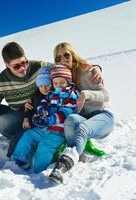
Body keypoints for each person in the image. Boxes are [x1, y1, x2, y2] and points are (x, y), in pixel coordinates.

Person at [49, 42, 115, 183]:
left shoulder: (87, 71)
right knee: (71, 119)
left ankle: (62, 166)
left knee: (83, 128)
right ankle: (79, 152)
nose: (63, 60)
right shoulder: (62, 76)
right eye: (58, 58)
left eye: (66, 55)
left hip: (102, 116)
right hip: (84, 118)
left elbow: (105, 94)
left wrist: (86, 94)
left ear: (72, 55)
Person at [12, 66, 78, 173]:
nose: (58, 85)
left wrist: (49, 120)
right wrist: (41, 112)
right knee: (28, 135)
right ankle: (18, 161)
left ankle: (39, 170)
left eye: (62, 82)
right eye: (55, 83)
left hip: (58, 131)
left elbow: (64, 113)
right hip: (44, 128)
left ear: (69, 82)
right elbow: (43, 103)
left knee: (44, 146)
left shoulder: (71, 96)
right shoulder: (52, 94)